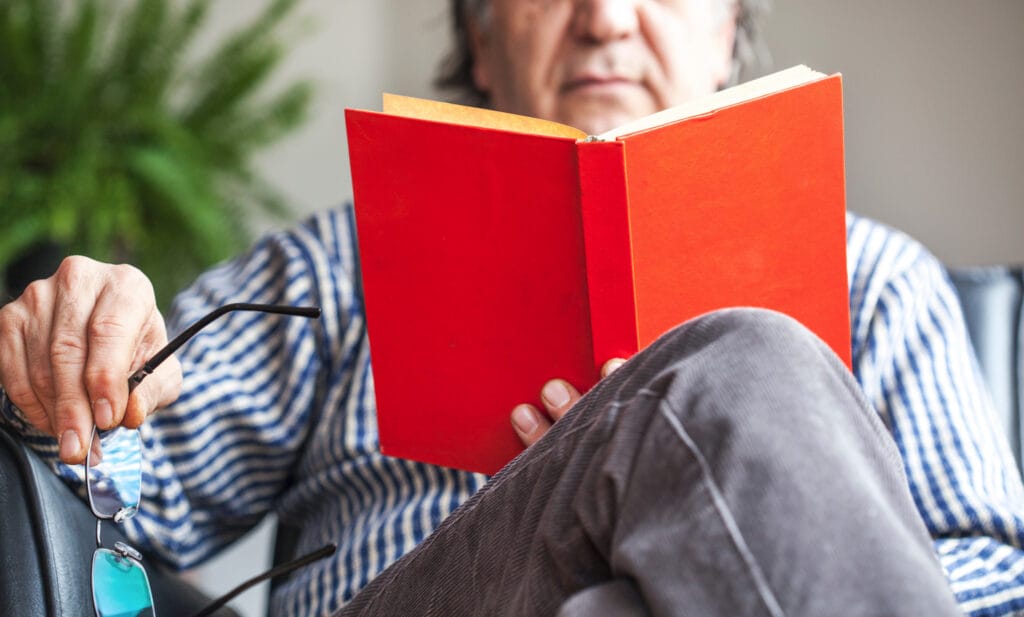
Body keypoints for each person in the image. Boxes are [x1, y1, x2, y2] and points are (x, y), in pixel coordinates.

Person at [2, 0, 1023, 615]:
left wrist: (694, 514)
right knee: (749, 359)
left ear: (729, 30)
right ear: (481, 41)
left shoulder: (876, 281)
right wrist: (74, 370)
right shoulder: (339, 267)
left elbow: (997, 578)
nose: (606, 17)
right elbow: (107, 490)